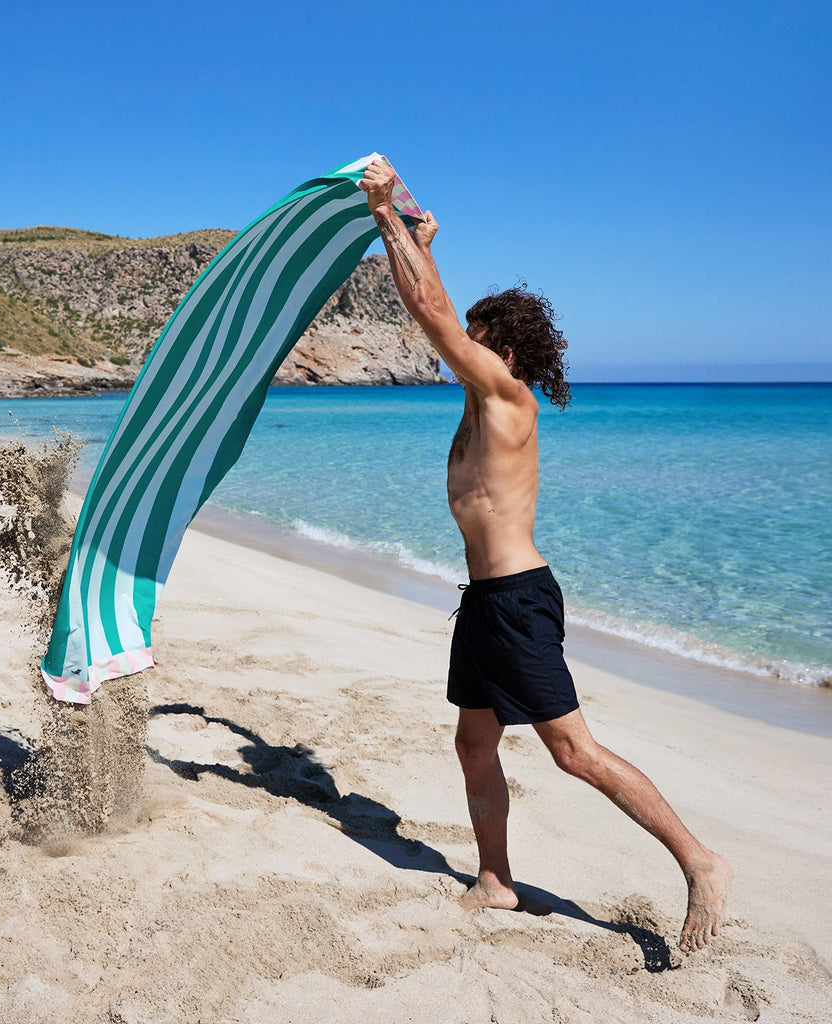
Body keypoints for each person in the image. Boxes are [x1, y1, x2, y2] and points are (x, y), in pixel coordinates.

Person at [360, 157, 731, 954]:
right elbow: (446, 312)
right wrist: (426, 241)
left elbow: (434, 318)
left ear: (502, 350)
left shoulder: (506, 396)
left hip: (519, 598)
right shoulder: (479, 397)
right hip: (486, 603)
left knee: (572, 751)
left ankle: (700, 862)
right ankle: (497, 881)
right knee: (474, 741)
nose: (460, 347)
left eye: (477, 339)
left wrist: (385, 216)